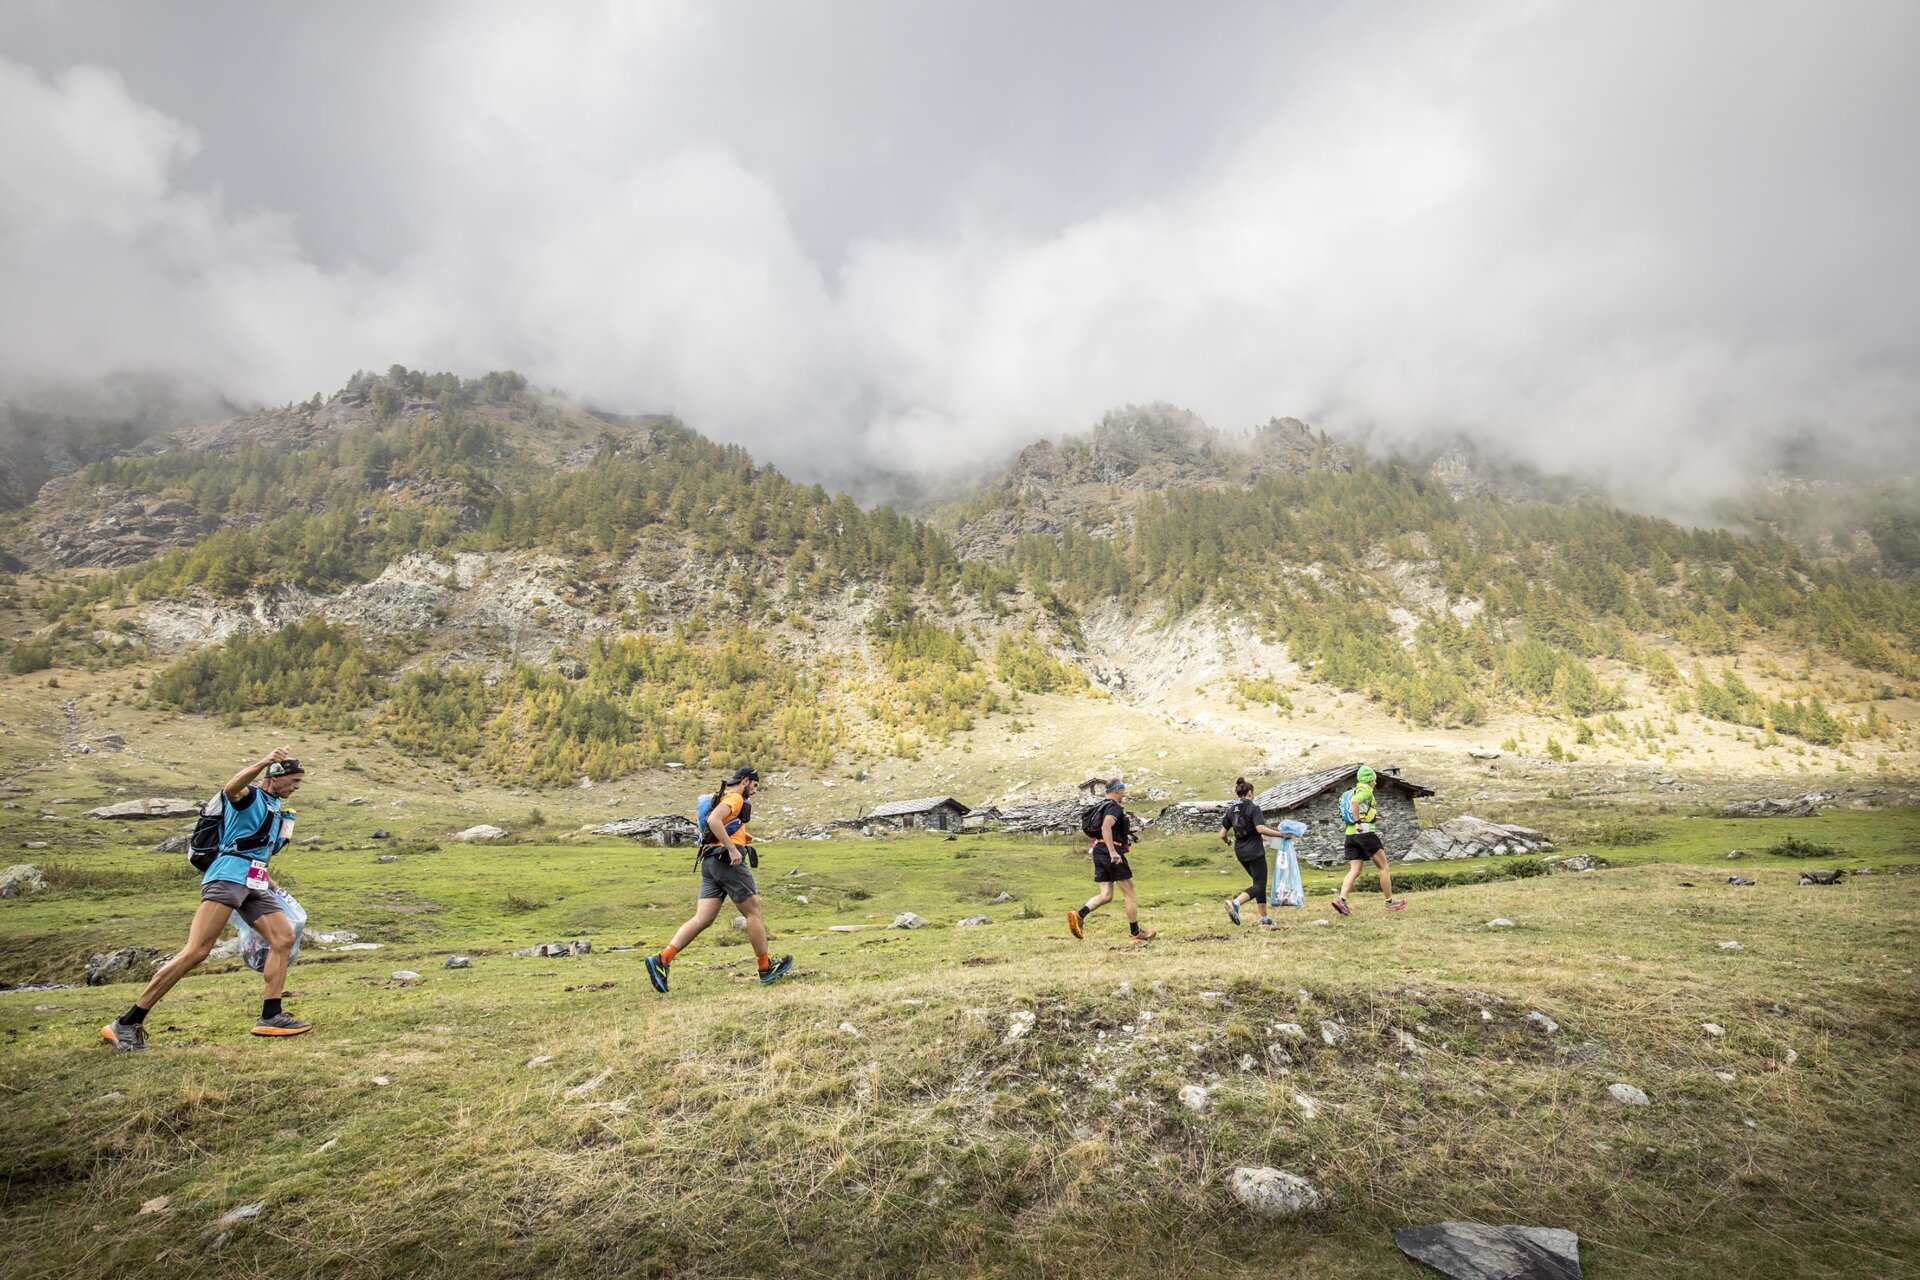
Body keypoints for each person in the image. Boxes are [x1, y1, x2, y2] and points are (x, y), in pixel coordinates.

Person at [100, 747, 312, 1050]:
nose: (296, 786)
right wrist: (265, 761)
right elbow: (231, 788)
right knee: (196, 952)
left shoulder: (275, 806)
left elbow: (257, 845)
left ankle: (271, 1016)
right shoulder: (249, 796)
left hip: (255, 881)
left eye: (299, 782)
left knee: (283, 938)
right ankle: (126, 1022)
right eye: (293, 780)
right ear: (275, 777)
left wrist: (268, 876)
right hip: (226, 876)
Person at [645, 766, 793, 993]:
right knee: (753, 913)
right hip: (727, 864)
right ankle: (765, 969)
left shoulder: (721, 797)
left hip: (710, 863)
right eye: (754, 786)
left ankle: (662, 960)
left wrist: (741, 836)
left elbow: (716, 826)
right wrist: (733, 849)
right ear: (745, 781)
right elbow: (714, 820)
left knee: (702, 918)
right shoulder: (735, 798)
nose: (754, 792)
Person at [1067, 779, 1155, 942]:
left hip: (1098, 851)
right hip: (1110, 853)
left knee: (1106, 895)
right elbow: (1106, 827)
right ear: (1118, 790)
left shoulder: (1101, 805)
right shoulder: (1113, 807)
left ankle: (1079, 915)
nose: (1124, 794)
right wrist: (1113, 852)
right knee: (1129, 892)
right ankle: (1136, 933)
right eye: (1123, 790)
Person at [1331, 765, 1407, 915]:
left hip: (1350, 835)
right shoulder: (1365, 791)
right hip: (1364, 833)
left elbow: (1355, 806)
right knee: (1383, 867)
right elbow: (1355, 803)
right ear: (1370, 780)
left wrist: (1368, 818)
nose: (1376, 783)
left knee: (1355, 870)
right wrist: (1359, 822)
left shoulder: (1350, 791)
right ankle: (1390, 903)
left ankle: (1342, 900)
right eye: (1374, 780)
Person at [1219, 777, 1290, 926]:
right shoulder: (1253, 807)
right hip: (1254, 851)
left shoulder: (1231, 810)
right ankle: (1235, 903)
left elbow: (1222, 834)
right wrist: (1281, 834)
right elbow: (1260, 829)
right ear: (1250, 793)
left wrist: (1229, 842)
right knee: (1259, 884)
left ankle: (1264, 918)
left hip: (1240, 851)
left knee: (1258, 883)